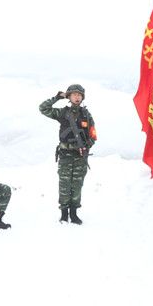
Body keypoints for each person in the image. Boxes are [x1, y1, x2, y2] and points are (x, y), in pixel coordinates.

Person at [39, 84, 97, 224]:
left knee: (77, 185)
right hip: (65, 155)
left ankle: (74, 213)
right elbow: (43, 108)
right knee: (64, 185)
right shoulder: (63, 113)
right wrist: (57, 98)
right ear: (69, 97)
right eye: (74, 94)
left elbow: (93, 135)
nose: (77, 97)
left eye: (79, 95)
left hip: (80, 156)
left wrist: (86, 146)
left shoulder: (86, 115)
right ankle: (64, 214)